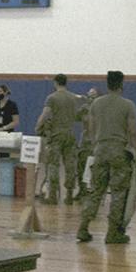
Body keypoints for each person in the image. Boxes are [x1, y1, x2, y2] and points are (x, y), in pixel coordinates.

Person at [77, 71, 136, 244]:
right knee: (119, 193)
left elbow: (90, 126)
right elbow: (133, 131)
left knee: (96, 191)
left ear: (107, 84)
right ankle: (113, 233)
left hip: (100, 149)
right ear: (121, 84)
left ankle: (83, 228)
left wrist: (95, 144)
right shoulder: (128, 105)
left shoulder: (96, 103)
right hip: (119, 151)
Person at [36, 74, 79, 205]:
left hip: (56, 135)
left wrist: (38, 126)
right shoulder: (73, 98)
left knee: (53, 164)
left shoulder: (52, 97)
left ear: (55, 83)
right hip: (70, 134)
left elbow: (46, 114)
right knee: (70, 165)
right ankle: (70, 194)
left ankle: (53, 195)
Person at [74, 88, 99, 200]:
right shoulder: (84, 108)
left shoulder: (101, 109)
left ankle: (94, 191)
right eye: (89, 94)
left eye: (93, 95)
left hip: (96, 143)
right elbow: (75, 117)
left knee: (95, 168)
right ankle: (82, 190)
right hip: (84, 142)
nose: (90, 96)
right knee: (81, 167)